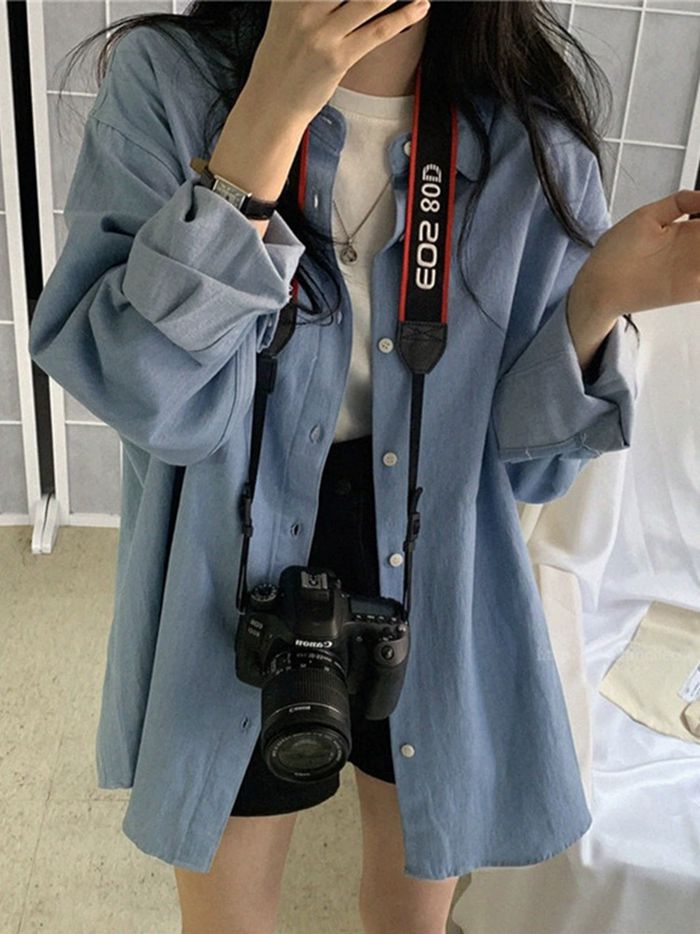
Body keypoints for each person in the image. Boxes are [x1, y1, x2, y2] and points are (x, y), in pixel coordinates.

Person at [28, 1, 700, 932]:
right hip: (230, 543)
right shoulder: (173, 86)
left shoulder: (531, 142)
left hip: (434, 556)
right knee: (226, 915)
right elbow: (145, 397)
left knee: (412, 909)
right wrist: (265, 122)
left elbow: (522, 472)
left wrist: (600, 299)